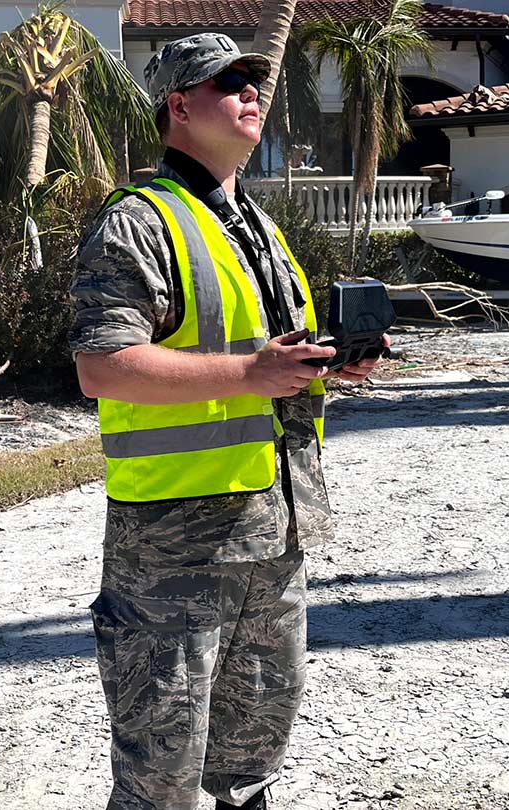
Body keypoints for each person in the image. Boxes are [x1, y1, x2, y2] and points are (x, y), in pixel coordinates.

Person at [68, 32, 387, 810]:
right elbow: (102, 366)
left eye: (254, 79)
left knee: (252, 753)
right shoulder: (138, 223)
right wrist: (252, 374)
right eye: (228, 82)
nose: (252, 92)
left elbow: (274, 367)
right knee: (160, 767)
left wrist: (330, 366)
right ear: (179, 105)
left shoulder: (261, 231)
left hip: (274, 528)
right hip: (174, 540)